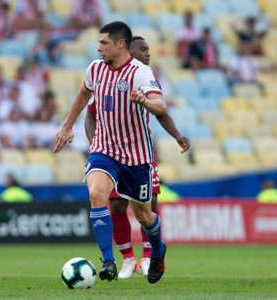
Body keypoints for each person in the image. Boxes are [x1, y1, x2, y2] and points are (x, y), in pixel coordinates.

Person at [54, 21, 188, 284]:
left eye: (104, 43)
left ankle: (158, 250)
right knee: (96, 194)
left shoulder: (139, 72)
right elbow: (83, 94)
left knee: (144, 215)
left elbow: (160, 105)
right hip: (104, 149)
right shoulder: (95, 68)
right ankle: (109, 262)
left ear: (120, 44)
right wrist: (67, 125)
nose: (99, 47)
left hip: (136, 156)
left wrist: (146, 101)